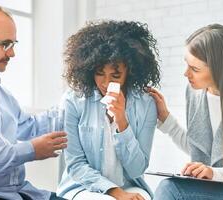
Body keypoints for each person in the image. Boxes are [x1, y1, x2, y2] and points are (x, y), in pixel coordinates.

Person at [0, 3, 67, 200]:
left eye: (13, 45)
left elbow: (28, 127)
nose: (12, 53)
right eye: (5, 44)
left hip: (18, 191)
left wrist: (78, 100)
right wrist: (30, 150)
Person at [148, 24, 223, 200]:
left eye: (195, 69)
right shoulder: (194, 93)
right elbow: (201, 148)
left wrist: (215, 173)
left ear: (220, 69)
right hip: (213, 188)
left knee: (170, 190)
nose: (186, 74)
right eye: (187, 65)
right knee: (168, 186)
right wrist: (166, 120)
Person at [56, 20, 161, 200]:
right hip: (83, 187)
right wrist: (115, 193)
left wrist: (121, 120)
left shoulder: (146, 104)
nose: (105, 83)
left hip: (130, 186)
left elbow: (137, 169)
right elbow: (76, 164)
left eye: (115, 75)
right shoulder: (73, 101)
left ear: (130, 69)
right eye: (99, 73)